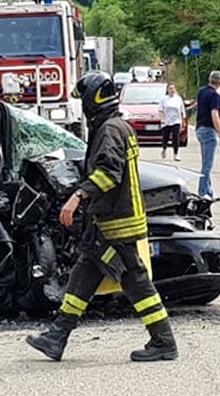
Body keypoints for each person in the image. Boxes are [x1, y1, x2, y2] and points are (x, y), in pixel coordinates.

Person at [26, 71, 178, 363]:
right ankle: (57, 336)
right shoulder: (117, 125)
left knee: (134, 279)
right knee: (85, 272)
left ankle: (164, 341)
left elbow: (109, 173)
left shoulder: (109, 130)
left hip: (117, 221)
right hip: (111, 218)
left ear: (92, 99)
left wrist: (77, 196)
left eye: (83, 98)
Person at [195, 71, 220, 200]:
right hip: (209, 129)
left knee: (205, 162)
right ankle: (203, 192)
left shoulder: (202, 91)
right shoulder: (214, 95)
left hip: (199, 128)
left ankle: (208, 190)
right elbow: (215, 115)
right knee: (208, 164)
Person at [157, 83, 185, 161]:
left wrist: (183, 121)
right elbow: (161, 110)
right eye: (170, 88)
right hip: (167, 121)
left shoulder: (178, 99)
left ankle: (176, 153)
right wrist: (162, 120)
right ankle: (164, 149)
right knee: (165, 137)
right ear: (167, 90)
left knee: (176, 137)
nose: (171, 90)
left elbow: (182, 111)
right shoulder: (163, 99)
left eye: (173, 88)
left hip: (176, 120)